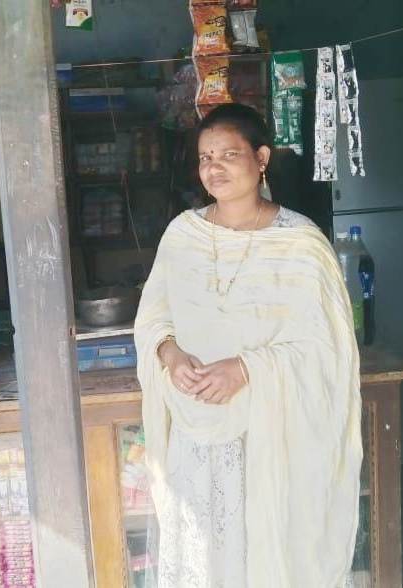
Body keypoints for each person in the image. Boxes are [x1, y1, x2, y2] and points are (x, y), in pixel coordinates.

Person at [134, 103, 362, 587]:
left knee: (267, 555)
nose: (213, 168)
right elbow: (154, 316)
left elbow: (327, 347)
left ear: (261, 158)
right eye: (204, 157)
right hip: (197, 435)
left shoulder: (300, 243)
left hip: (272, 433)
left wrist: (246, 368)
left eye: (228, 154)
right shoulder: (183, 235)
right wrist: (170, 355)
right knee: (206, 560)